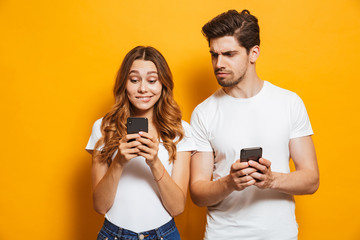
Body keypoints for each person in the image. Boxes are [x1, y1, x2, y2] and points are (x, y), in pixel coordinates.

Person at [189, 10, 319, 239]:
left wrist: (271, 180)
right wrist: (229, 183)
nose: (219, 63)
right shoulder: (203, 113)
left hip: (280, 234)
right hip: (223, 234)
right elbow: (198, 193)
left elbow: (311, 180)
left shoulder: (289, 103)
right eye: (214, 55)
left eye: (229, 54)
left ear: (253, 53)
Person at [86, 46, 196, 240]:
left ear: (163, 84)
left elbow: (177, 207)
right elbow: (100, 206)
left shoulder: (180, 130)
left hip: (164, 234)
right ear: (124, 83)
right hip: (114, 234)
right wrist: (119, 161)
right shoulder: (104, 127)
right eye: (134, 80)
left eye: (152, 80)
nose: (143, 88)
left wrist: (154, 162)